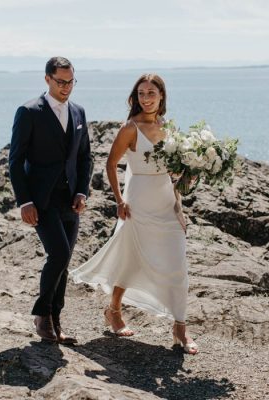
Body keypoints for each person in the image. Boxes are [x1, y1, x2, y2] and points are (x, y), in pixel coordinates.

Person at [70, 73, 198, 354]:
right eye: (141, 93)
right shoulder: (130, 128)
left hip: (167, 202)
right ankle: (113, 311)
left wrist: (181, 201)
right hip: (138, 201)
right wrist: (119, 200)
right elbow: (111, 164)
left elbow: (176, 172)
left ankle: (180, 328)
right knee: (131, 259)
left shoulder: (170, 128)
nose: (146, 98)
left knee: (177, 264)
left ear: (161, 95)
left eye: (151, 93)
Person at [9, 56, 92, 344]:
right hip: (41, 199)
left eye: (71, 82)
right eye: (61, 82)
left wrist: (83, 191)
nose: (66, 87)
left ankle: (56, 319)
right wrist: (24, 201)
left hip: (70, 199)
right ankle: (42, 315)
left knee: (65, 260)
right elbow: (15, 161)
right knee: (57, 253)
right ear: (47, 79)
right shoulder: (29, 111)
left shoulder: (79, 112)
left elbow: (84, 157)